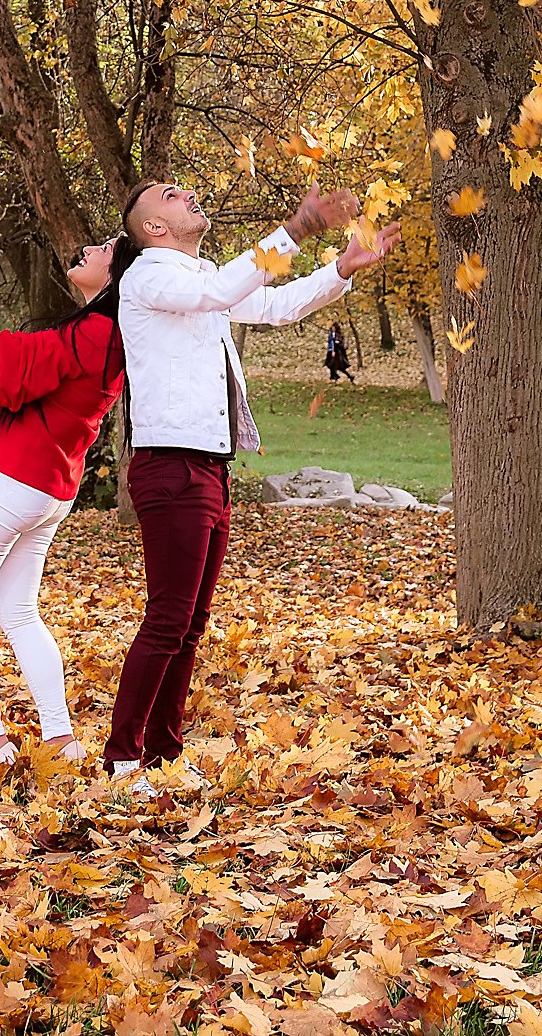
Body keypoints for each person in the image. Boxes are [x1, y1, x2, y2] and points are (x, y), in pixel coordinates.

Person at [106, 180, 400, 777]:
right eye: (170, 195)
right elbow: (220, 291)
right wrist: (296, 229)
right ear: (154, 227)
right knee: (167, 620)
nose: (187, 193)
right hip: (171, 468)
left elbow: (275, 306)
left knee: (189, 625)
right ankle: (122, 760)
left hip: (210, 469)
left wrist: (341, 269)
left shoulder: (202, 279)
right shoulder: (147, 277)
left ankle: (162, 755)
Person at [0, 226, 131, 772]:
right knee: (18, 611)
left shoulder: (95, 332)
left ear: (118, 274)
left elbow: (0, 362)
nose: (88, 249)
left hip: (14, 474)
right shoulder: (110, 334)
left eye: (105, 248)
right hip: (51, 487)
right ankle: (59, 737)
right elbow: (14, 370)